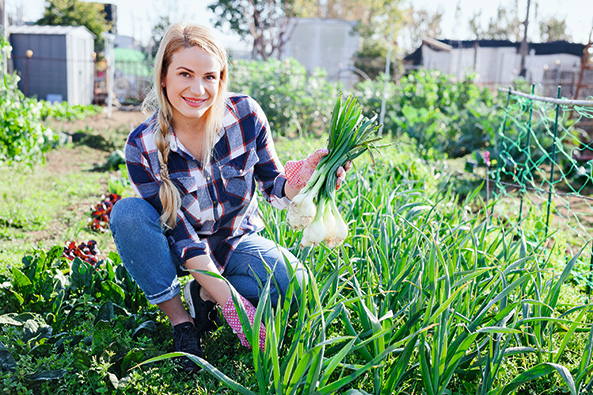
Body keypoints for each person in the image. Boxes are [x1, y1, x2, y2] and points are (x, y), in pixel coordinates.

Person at [109, 22, 348, 373]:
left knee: (294, 284)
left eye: (209, 76)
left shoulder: (246, 116)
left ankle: (201, 297)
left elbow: (274, 186)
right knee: (127, 214)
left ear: (221, 78)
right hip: (173, 250)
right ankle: (182, 322)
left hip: (235, 240)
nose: (198, 89)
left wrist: (304, 180)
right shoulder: (141, 145)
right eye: (185, 74)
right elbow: (183, 239)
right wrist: (238, 312)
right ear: (164, 76)